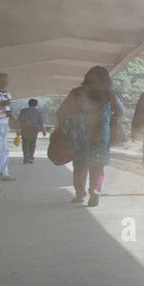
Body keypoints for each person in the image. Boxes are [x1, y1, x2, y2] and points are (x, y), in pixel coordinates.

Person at [56, 65, 124, 207]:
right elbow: (120, 111)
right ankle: (95, 190)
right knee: (97, 165)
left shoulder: (76, 93)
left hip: (79, 136)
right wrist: (111, 121)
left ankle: (80, 194)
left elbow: (61, 112)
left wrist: (66, 127)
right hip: (100, 136)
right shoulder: (109, 95)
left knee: (80, 166)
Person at [17, 98, 47, 164]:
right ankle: (31, 158)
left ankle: (25, 158)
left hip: (25, 128)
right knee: (32, 143)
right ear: (36, 104)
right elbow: (41, 122)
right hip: (34, 129)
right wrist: (44, 131)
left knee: (25, 143)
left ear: (28, 103)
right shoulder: (38, 111)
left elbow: (19, 121)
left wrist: (18, 129)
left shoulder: (23, 111)